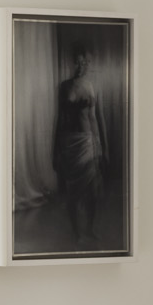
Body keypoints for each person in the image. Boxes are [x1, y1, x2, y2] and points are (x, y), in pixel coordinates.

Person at [51, 46, 108, 248]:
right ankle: (77, 233)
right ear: (72, 62)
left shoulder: (92, 87)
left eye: (86, 62)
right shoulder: (64, 86)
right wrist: (55, 148)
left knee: (92, 191)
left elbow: (93, 118)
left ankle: (90, 230)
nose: (82, 66)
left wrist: (100, 145)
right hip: (69, 143)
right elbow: (60, 119)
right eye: (78, 61)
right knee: (73, 192)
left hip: (87, 142)